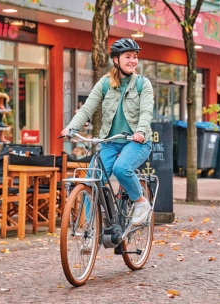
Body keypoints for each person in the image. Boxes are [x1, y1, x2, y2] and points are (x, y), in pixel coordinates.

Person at [61, 38, 154, 226]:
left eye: (135, 57)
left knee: (122, 168)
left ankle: (140, 202)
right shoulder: (104, 83)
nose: (133, 61)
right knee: (92, 181)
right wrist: (72, 127)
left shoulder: (143, 84)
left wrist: (141, 131)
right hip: (110, 142)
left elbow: (146, 111)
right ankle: (89, 230)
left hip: (136, 142)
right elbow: (87, 108)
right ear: (116, 60)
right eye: (128, 57)